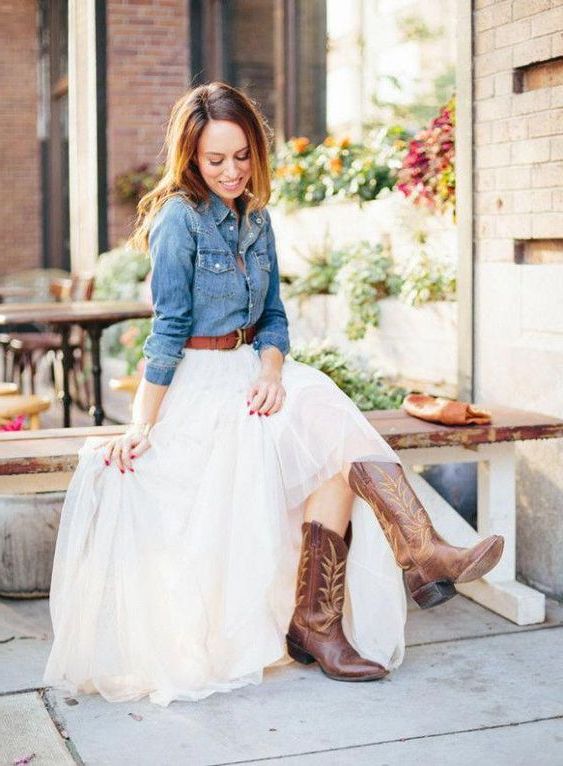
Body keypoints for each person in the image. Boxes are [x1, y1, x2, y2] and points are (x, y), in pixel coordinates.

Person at [43, 82, 504, 707]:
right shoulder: (178, 219)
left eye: (241, 156)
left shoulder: (256, 217)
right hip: (199, 383)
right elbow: (169, 330)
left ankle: (331, 614)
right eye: (215, 160)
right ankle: (409, 562)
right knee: (331, 439)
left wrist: (269, 368)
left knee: (333, 436)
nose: (231, 172)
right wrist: (142, 424)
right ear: (190, 158)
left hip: (252, 374)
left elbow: (276, 317)